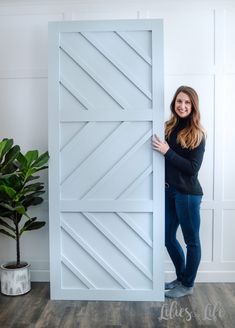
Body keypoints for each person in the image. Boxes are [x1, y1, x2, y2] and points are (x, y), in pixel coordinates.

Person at [152, 86, 206, 298]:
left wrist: (167, 152)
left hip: (188, 194)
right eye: (179, 101)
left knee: (191, 241)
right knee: (166, 236)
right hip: (169, 192)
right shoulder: (167, 127)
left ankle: (188, 284)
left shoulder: (198, 134)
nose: (182, 106)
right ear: (174, 103)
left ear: (193, 106)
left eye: (187, 102)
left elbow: (193, 168)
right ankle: (181, 277)